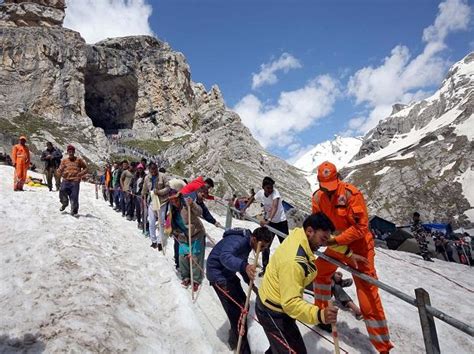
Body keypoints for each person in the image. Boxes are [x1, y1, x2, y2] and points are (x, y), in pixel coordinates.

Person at [311, 161, 394, 353]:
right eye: (326, 187)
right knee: (320, 273)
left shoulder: (351, 194)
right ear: (319, 183)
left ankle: (383, 346)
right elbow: (317, 223)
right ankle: (323, 317)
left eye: (332, 186)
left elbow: (360, 227)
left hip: (359, 249)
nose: (330, 192)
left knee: (367, 293)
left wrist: (335, 240)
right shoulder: (317, 198)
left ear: (338, 177)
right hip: (337, 246)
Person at [256, 213, 364, 354]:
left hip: (278, 302)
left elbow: (328, 239)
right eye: (322, 239)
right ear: (310, 231)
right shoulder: (294, 262)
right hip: (273, 310)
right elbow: (290, 303)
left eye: (325, 239)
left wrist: (348, 253)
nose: (323, 244)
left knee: (280, 346)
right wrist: (320, 315)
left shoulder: (300, 234)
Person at [206, 227, 273, 352]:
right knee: (236, 312)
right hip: (218, 274)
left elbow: (243, 264)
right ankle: (241, 348)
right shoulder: (239, 241)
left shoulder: (248, 244)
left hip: (228, 273)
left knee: (243, 304)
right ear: (254, 239)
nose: (263, 250)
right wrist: (245, 266)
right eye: (262, 246)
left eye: (265, 248)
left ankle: (235, 337)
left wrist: (250, 284)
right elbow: (225, 257)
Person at [242, 176, 288, 277]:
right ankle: (265, 268)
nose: (270, 190)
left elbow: (275, 207)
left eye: (271, 187)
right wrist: (244, 208)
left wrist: (268, 220)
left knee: (286, 246)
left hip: (281, 222)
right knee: (265, 245)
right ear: (263, 187)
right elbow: (252, 199)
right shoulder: (260, 193)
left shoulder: (275, 193)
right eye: (268, 188)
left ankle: (286, 270)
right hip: (270, 223)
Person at [169, 193, 205, 291]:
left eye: (175, 200)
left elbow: (200, 212)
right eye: (171, 201)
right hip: (183, 236)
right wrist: (172, 230)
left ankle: (196, 280)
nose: (174, 202)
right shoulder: (171, 210)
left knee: (195, 257)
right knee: (182, 257)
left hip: (196, 234)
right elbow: (170, 223)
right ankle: (186, 277)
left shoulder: (187, 204)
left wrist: (192, 204)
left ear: (179, 198)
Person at [141, 163, 170, 250]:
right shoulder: (147, 178)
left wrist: (159, 192)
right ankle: (153, 241)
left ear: (157, 168)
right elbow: (145, 188)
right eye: (151, 169)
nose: (153, 171)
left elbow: (168, 188)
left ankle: (160, 242)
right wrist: (142, 195)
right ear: (149, 170)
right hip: (152, 202)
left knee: (161, 223)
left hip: (162, 202)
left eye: (155, 169)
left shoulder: (163, 176)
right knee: (152, 222)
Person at [57, 145, 88, 216]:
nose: (71, 153)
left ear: (74, 152)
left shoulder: (79, 160)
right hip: (66, 180)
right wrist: (59, 174)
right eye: (69, 151)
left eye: (72, 151)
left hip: (75, 181)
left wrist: (80, 174)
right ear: (67, 152)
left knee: (74, 196)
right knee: (62, 191)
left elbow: (86, 168)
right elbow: (60, 170)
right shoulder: (64, 160)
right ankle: (64, 203)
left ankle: (74, 211)